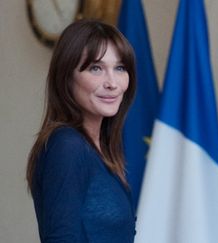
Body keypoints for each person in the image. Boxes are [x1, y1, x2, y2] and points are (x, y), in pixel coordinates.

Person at [26, 19, 137, 243]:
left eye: (120, 68)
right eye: (96, 68)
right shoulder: (67, 146)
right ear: (66, 77)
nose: (112, 83)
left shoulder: (99, 149)